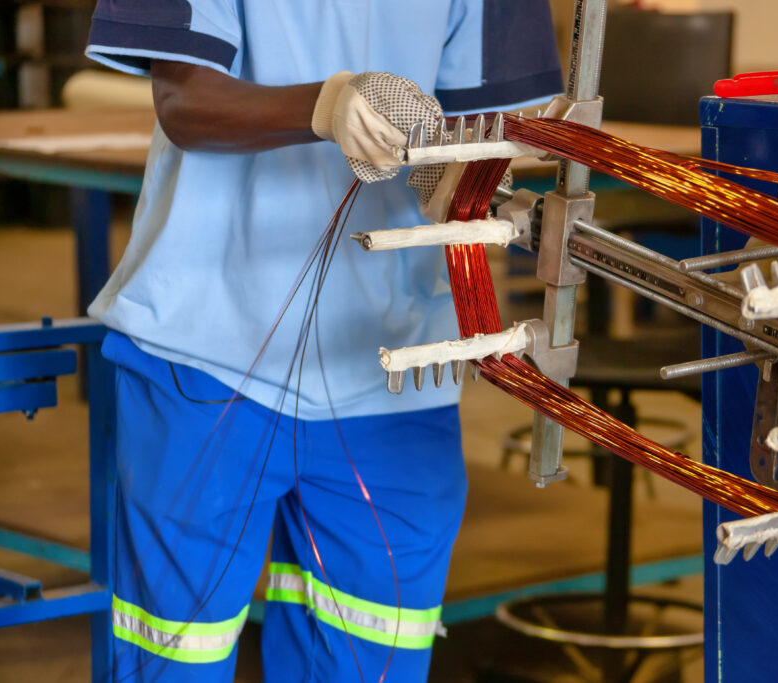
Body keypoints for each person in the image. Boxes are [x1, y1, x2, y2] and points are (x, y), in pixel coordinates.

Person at [83, 1, 563, 680]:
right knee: (171, 662)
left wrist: (460, 179)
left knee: (371, 660)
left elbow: (484, 127)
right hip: (207, 347)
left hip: (392, 364)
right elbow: (183, 99)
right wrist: (326, 104)